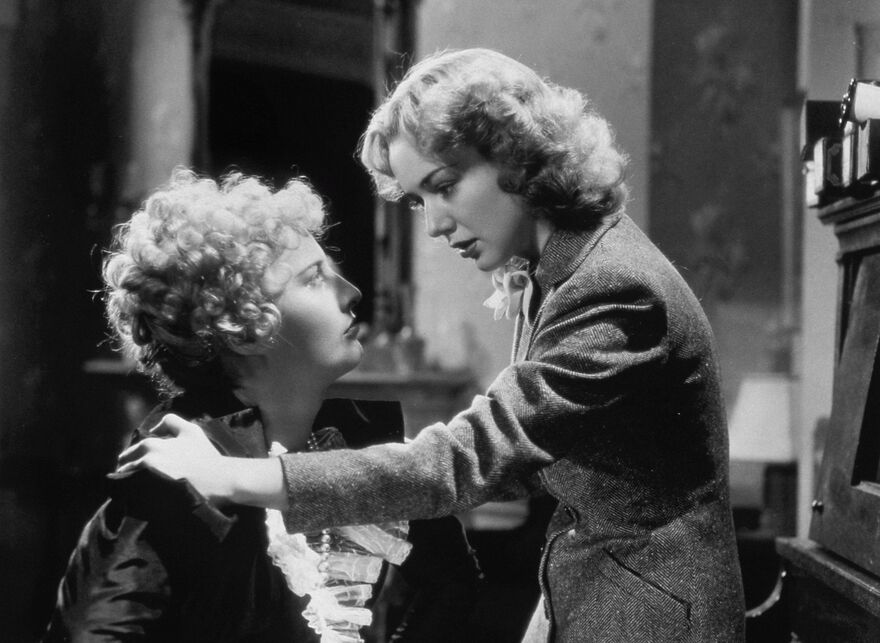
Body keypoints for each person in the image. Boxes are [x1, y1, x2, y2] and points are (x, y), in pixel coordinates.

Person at [117, 49, 746, 641]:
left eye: (445, 185)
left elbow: (465, 461)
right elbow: (550, 456)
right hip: (596, 591)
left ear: (520, 155)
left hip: (649, 615)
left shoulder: (612, 287)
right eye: (419, 200)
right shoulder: (565, 266)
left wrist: (228, 474)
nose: (437, 224)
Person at [44, 169, 480, 642]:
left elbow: (454, 583)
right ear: (246, 328)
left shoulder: (351, 446)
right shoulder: (174, 482)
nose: (351, 293)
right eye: (314, 280)